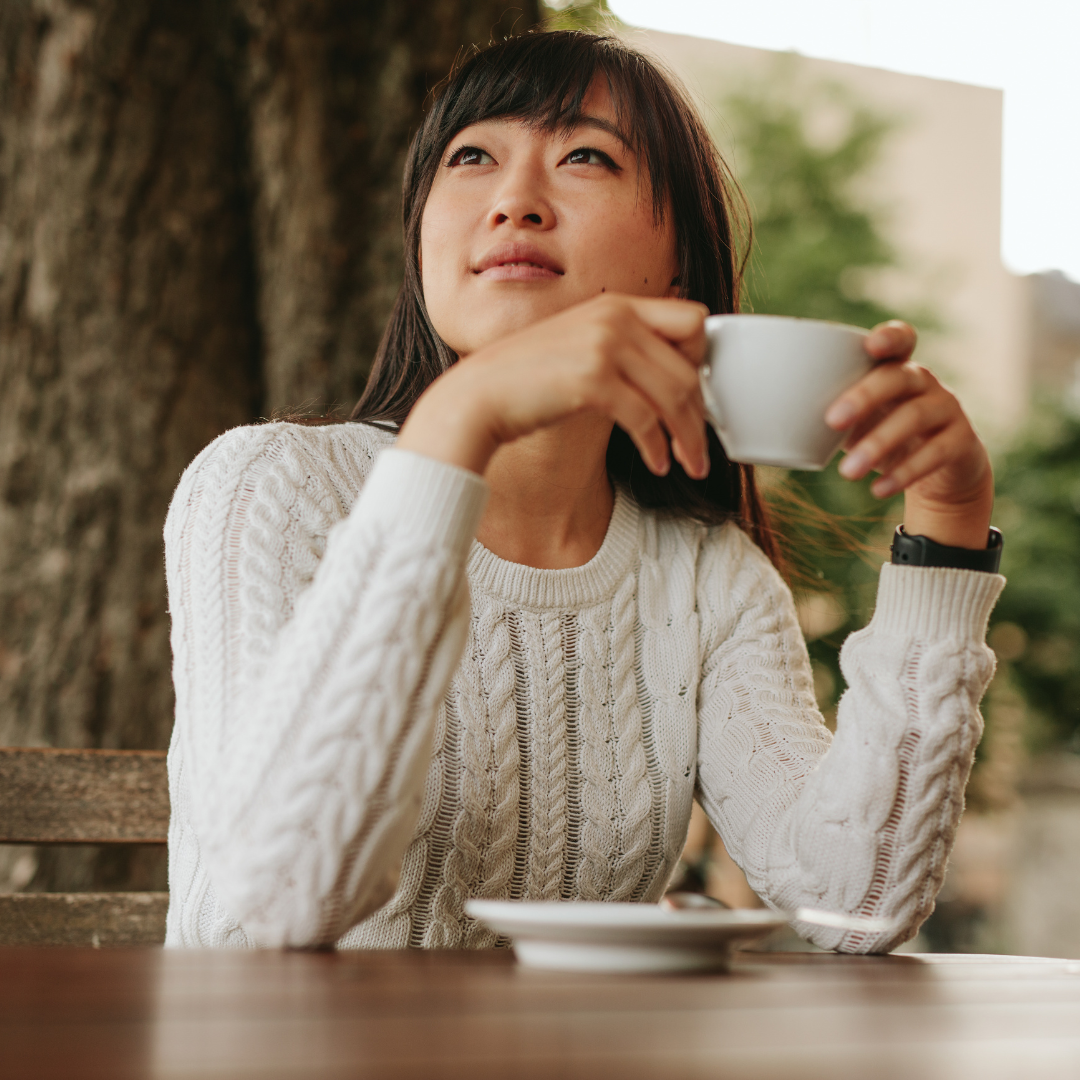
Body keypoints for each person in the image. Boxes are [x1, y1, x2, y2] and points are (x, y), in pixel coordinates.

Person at [163, 30, 1003, 951]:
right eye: (472, 156)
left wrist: (947, 532)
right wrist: (460, 422)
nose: (515, 203)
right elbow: (280, 903)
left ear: (679, 262)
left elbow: (859, 903)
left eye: (585, 157)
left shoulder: (702, 574)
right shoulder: (269, 487)